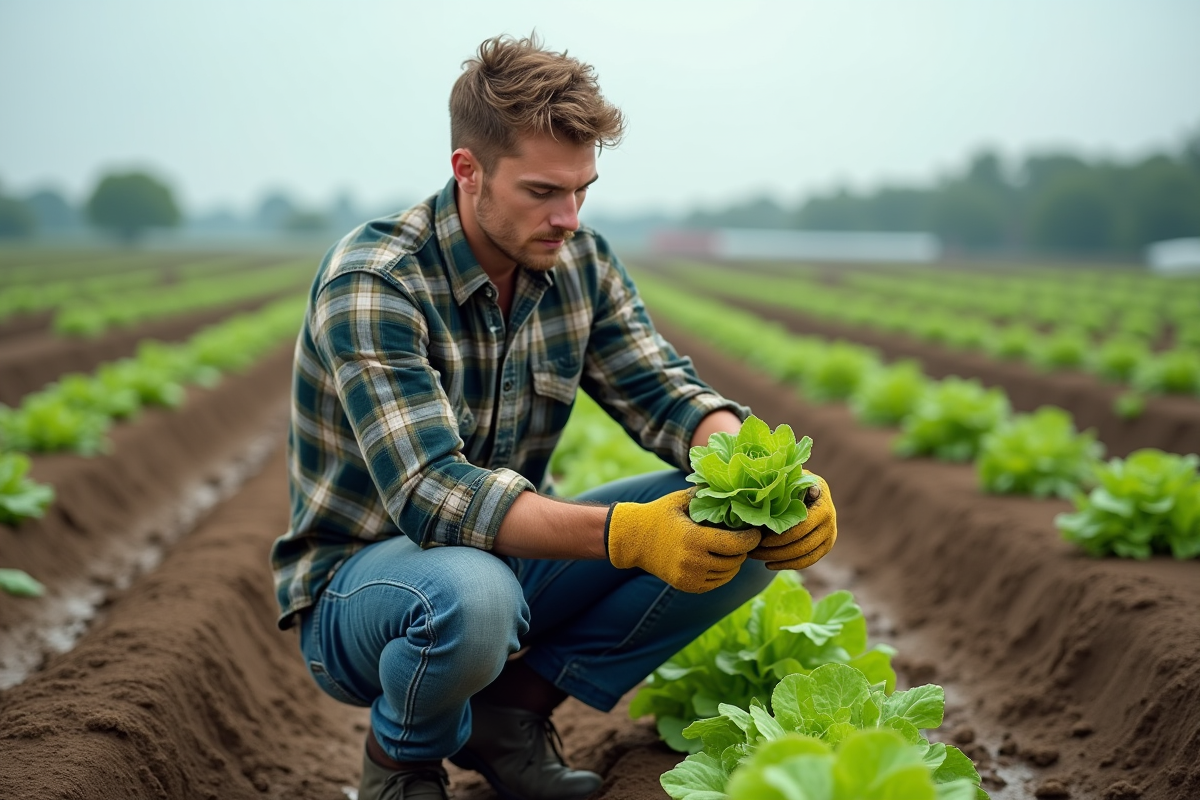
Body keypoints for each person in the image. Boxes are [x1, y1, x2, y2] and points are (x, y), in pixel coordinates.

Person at [269, 33, 837, 800]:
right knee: (473, 595)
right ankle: (400, 762)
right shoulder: (375, 281)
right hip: (360, 591)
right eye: (542, 191)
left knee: (737, 520)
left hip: (499, 562)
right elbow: (433, 492)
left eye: (581, 189)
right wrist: (630, 535)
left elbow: (665, 393)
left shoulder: (580, 264)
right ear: (467, 172)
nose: (567, 217)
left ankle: (511, 716)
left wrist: (767, 479)